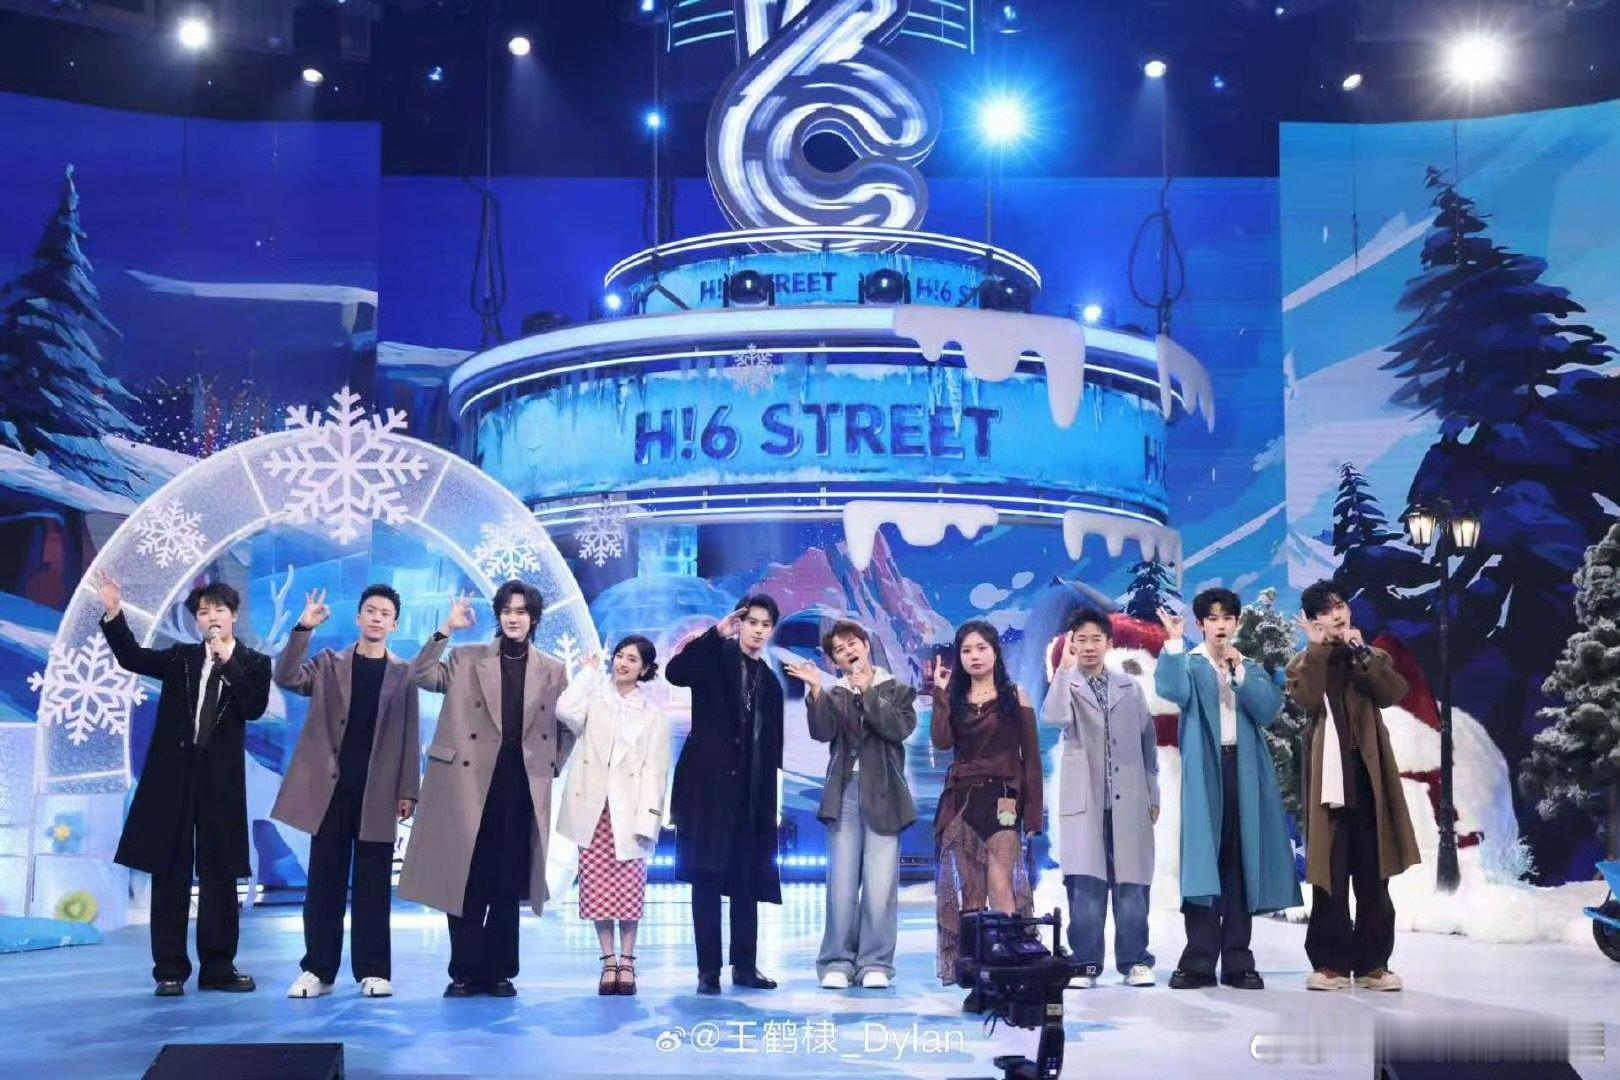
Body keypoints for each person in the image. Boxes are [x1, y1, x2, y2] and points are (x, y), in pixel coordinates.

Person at [96, 573, 271, 997]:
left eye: (219, 610)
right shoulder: (181, 659)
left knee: (220, 872)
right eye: (204, 612)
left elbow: (253, 707)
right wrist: (115, 612)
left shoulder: (254, 663)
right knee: (169, 871)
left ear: (233, 616)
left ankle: (218, 967)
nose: (211, 617)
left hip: (220, 781)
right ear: (197, 621)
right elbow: (132, 658)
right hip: (173, 774)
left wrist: (227, 662)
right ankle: (170, 970)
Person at [397, 581, 573, 997]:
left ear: (533, 618)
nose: (514, 618)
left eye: (521, 612)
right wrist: (447, 628)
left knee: (506, 881)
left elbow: (568, 725)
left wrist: (551, 764)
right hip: (467, 783)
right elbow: (420, 674)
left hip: (520, 785)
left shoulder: (553, 669)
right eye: (507, 611)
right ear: (498, 615)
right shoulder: (467, 657)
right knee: (466, 876)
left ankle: (499, 972)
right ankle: (463, 970)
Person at [271, 585, 421, 1000]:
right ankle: (317, 969)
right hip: (330, 789)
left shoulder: (404, 673)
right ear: (358, 618)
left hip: (378, 791)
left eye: (385, 613)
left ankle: (373, 970)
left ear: (394, 624)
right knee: (324, 882)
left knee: (373, 883)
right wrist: (303, 628)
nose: (376, 618)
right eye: (370, 610)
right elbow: (285, 677)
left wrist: (409, 789)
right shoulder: (328, 664)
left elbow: (410, 734)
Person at [1156, 589, 1300, 991]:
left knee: (1240, 861)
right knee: (1205, 861)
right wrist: (1173, 642)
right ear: (1201, 624)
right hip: (1206, 767)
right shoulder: (1189, 663)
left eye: (1227, 618)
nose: (1220, 625)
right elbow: (1172, 691)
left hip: (1245, 769)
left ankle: (1238, 959)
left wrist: (1238, 673)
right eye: (1212, 618)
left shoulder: (1247, 665)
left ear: (1237, 623)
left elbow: (1268, 710)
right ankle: (1198, 961)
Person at [1287, 581, 1420, 993]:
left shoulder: (1370, 656)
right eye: (1326, 611)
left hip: (1367, 778)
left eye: (1341, 606)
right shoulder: (1305, 662)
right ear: (1313, 621)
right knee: (1329, 875)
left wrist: (1361, 654)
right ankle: (1330, 963)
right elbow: (1307, 699)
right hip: (1330, 784)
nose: (1337, 615)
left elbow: (1393, 692)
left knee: (1374, 873)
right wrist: (1317, 650)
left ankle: (1372, 964)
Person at [787, 620, 917, 991]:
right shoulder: (836, 693)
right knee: (842, 883)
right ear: (834, 662)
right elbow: (822, 732)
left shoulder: (898, 690)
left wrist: (869, 692)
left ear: (866, 645)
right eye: (839, 650)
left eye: (852, 644)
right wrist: (816, 690)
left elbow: (897, 729)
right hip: (844, 793)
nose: (848, 652)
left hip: (885, 794)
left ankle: (875, 962)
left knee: (879, 884)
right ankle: (837, 961)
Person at [665, 594, 784, 995]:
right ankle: (708, 970)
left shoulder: (769, 682)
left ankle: (745, 966)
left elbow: (773, 748)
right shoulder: (714, 657)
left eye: (765, 625)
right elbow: (676, 673)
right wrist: (715, 634)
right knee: (707, 880)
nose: (758, 631)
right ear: (739, 623)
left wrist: (771, 802)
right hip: (707, 793)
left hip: (751, 795)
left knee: (746, 882)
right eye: (752, 622)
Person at [1043, 606, 1160, 989]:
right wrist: (1063, 671)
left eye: (1096, 639)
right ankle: (1084, 963)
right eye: (1082, 640)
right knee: (1085, 884)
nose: (1089, 647)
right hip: (1085, 801)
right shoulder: (1067, 684)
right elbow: (1054, 717)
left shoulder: (1129, 687)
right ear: (1072, 644)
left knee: (1132, 884)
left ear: (1109, 643)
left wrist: (1153, 793)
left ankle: (1135, 961)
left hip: (1131, 798)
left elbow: (1148, 745)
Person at [930, 619, 1043, 1013]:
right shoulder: (955, 699)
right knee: (972, 892)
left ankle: (1008, 974)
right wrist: (940, 695)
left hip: (1004, 799)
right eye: (966, 650)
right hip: (961, 801)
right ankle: (979, 981)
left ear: (995, 652)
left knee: (1001, 883)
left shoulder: (1015, 696)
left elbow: (1031, 758)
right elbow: (942, 742)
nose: (974, 656)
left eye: (981, 648)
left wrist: (1033, 814)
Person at [555, 635, 670, 997]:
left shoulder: (652, 715)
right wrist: (588, 674)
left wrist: (648, 819)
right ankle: (608, 961)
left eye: (632, 659)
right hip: (593, 809)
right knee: (598, 890)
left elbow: (655, 771)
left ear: (645, 668)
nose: (623, 663)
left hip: (630, 812)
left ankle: (628, 961)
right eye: (620, 656)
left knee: (629, 891)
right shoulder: (595, 697)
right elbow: (564, 710)